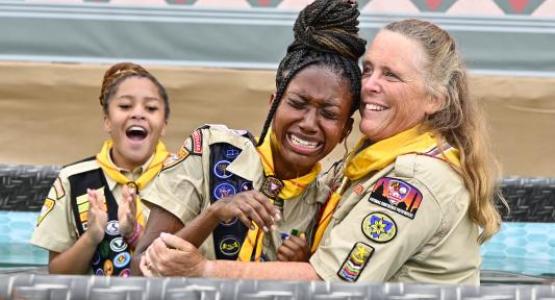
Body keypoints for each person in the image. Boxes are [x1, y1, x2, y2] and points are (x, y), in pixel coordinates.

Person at [140, 19, 504, 285]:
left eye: (391, 75)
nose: (370, 86)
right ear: (274, 101)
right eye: (369, 70)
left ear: (435, 99)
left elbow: (332, 282)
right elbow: (142, 262)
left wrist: (202, 270)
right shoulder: (361, 169)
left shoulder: (413, 178)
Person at [133, 0, 366, 273]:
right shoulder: (211, 152)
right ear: (273, 103)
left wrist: (302, 265)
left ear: (345, 130)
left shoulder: (327, 202)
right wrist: (214, 213)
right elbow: (140, 267)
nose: (308, 124)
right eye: (298, 104)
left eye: (328, 114)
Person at [31, 62, 171, 276]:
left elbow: (198, 263)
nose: (138, 114)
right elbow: (58, 273)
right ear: (107, 120)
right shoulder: (73, 180)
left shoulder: (184, 175)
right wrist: (91, 238)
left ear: (164, 124)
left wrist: (135, 234)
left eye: (150, 108)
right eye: (125, 106)